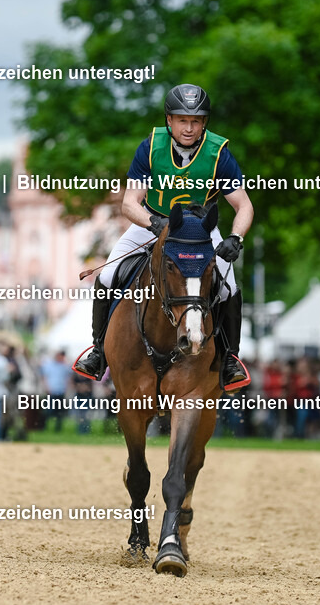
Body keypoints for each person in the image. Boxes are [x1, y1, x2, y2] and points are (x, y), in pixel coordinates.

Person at [74, 84, 255, 391]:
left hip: (199, 231)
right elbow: (130, 203)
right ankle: (97, 351)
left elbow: (244, 205)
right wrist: (154, 223)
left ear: (204, 123)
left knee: (229, 287)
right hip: (152, 223)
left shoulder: (218, 153)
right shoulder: (151, 147)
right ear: (169, 121)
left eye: (196, 121)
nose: (189, 127)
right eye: (183, 120)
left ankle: (229, 359)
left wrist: (235, 238)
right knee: (105, 277)